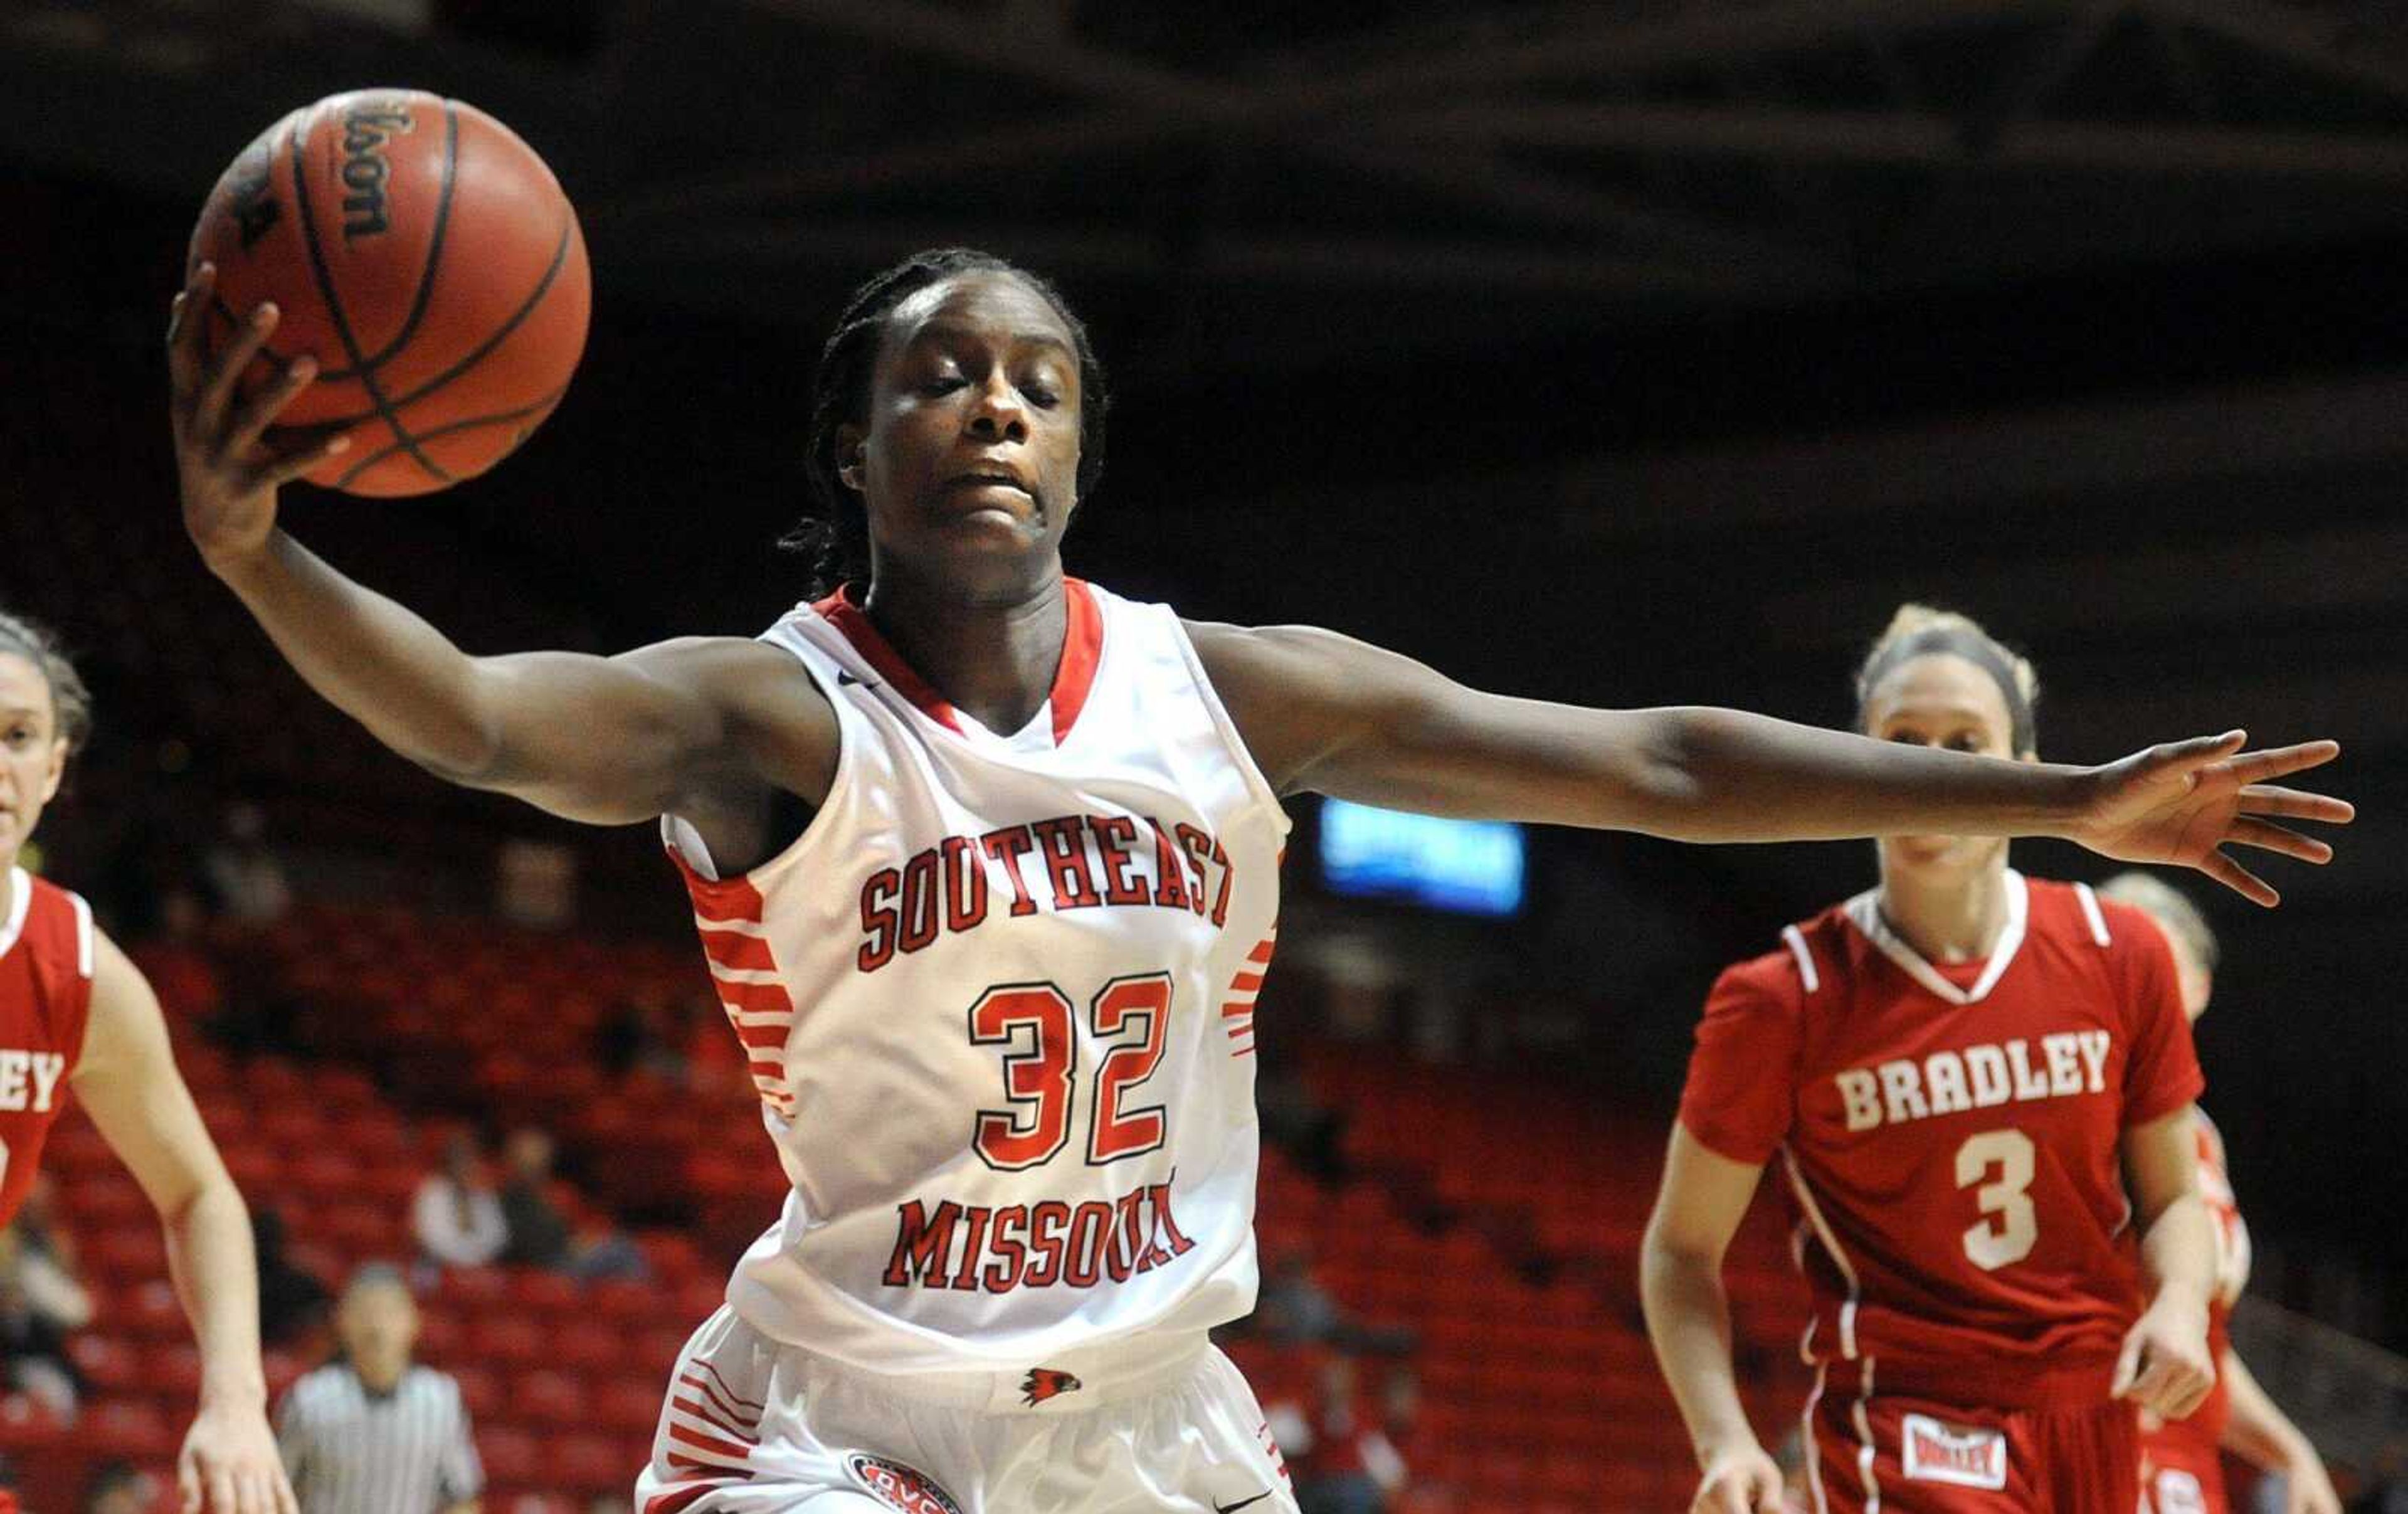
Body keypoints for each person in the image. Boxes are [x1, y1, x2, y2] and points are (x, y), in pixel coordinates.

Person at [167, 249, 2349, 1514]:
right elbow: (460, 713)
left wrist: (2063, 796)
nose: (994, 409)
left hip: (1149, 1411)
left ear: (1085, 449)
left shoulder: (1229, 693)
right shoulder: (770, 715)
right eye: (942, 375)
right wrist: (258, 549)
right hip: (842, 1414)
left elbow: (1662, 763)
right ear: (859, 448)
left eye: (1037, 381)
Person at [1640, 605, 2268, 1514]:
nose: (1930, 769)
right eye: (1903, 741)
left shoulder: (2121, 951)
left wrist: (2177, 1299)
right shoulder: (1783, 996)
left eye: (1965, 742)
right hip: (1907, 1419)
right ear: (1855, 764)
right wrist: (1725, 1437)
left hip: (2094, 1415)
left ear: (2025, 769)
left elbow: (2174, 1198)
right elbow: (1680, 1248)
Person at [0, 609, 293, 1513]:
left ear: (52, 770)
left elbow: (201, 1195)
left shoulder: (79, 969)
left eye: (18, 735)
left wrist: (236, 1402)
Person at [2099, 873, 2343, 1514]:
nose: (2127, 979)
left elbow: (2198, 1344)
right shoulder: (2062, 1108)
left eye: (2150, 957)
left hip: (2185, 1471)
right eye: (2106, 955)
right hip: (2086, 1458)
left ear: (2199, 989)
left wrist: (2288, 1446)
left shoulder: (2198, 1135)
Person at [275, 1264, 482, 1514]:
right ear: (341, 1321)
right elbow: (278, 1492)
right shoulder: (308, 1399)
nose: (377, 1327)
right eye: (365, 1312)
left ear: (414, 1321)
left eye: (390, 1312)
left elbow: (462, 1495)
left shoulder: (441, 1400)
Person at [409, 1132, 505, 1273]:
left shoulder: (484, 1194)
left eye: (469, 1161)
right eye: (459, 1162)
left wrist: (476, 1260)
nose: (465, 1167)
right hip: (441, 1265)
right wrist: (467, 1261)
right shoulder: (432, 1192)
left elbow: (498, 1235)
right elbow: (433, 1239)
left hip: (480, 1264)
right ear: (448, 1164)